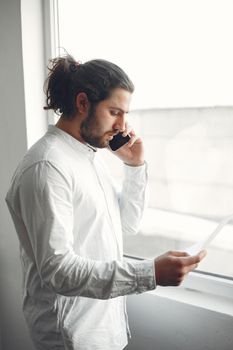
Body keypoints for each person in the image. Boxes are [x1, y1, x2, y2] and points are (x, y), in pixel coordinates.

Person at [5, 54, 206, 350]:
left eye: (125, 113)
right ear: (83, 102)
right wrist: (149, 273)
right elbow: (59, 270)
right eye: (115, 112)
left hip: (103, 329)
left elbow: (127, 224)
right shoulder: (47, 166)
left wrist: (135, 167)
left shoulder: (89, 158)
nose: (123, 125)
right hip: (71, 338)